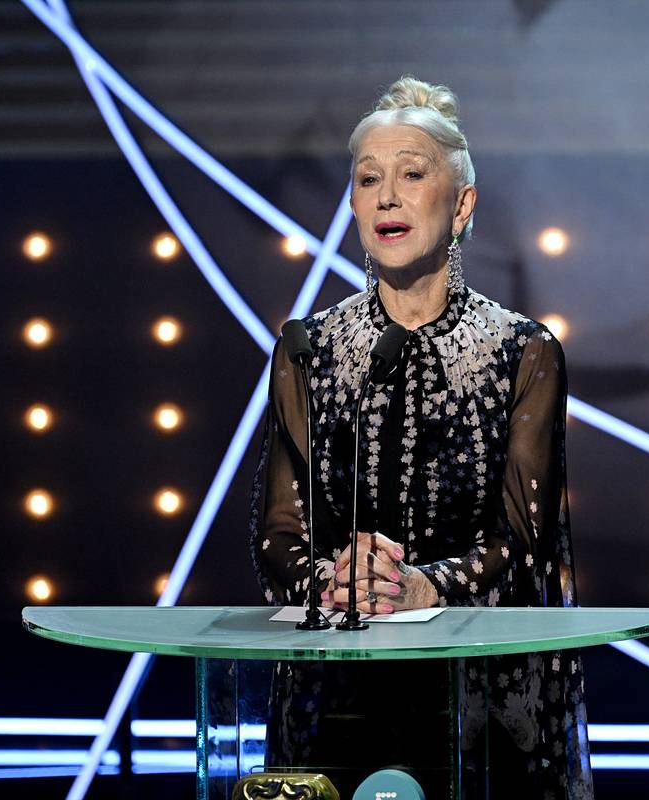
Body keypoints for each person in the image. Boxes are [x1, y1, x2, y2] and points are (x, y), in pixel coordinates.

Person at [249, 75, 594, 799]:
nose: (386, 196)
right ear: (350, 204)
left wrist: (420, 586)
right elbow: (278, 531)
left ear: (463, 204)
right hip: (336, 695)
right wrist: (330, 583)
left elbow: (522, 539)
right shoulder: (308, 349)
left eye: (412, 174)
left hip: (479, 702)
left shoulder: (521, 351)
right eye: (368, 179)